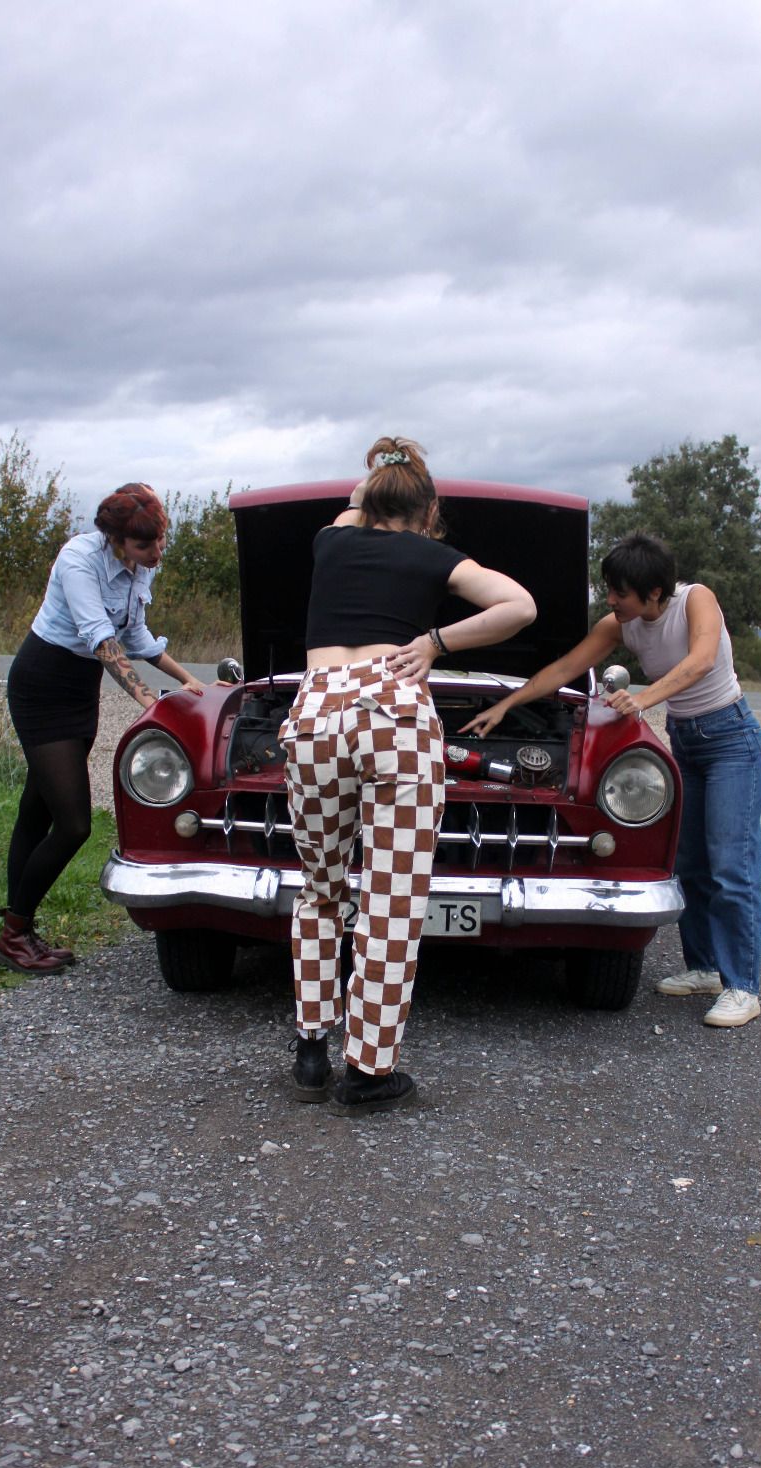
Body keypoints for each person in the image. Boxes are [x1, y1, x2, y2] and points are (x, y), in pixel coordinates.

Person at [282, 436, 537, 1114]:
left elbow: (351, 505)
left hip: (314, 713)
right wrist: (436, 642)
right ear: (430, 513)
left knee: (321, 889)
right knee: (390, 899)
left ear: (369, 502)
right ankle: (368, 1071)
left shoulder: (330, 542)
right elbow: (520, 606)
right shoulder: (435, 554)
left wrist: (379, 478)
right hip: (393, 717)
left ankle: (311, 1046)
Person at [462, 532, 761, 1028]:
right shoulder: (620, 624)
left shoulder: (697, 600)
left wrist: (644, 699)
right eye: (608, 589)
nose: (610, 600)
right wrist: (505, 704)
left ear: (653, 592)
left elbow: (701, 660)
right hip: (687, 741)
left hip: (732, 741)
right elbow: (565, 668)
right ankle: (706, 969)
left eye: (619, 592)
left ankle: (743, 988)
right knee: (687, 864)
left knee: (731, 867)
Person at [0, 482, 206, 975]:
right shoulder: (79, 561)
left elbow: (135, 635)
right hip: (43, 684)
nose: (156, 553)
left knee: (36, 807)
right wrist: (146, 698)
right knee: (72, 823)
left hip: (78, 689)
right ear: (114, 539)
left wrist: (186, 679)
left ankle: (16, 923)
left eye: (160, 541)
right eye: (144, 545)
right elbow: (102, 641)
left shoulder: (136, 567)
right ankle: (13, 935)